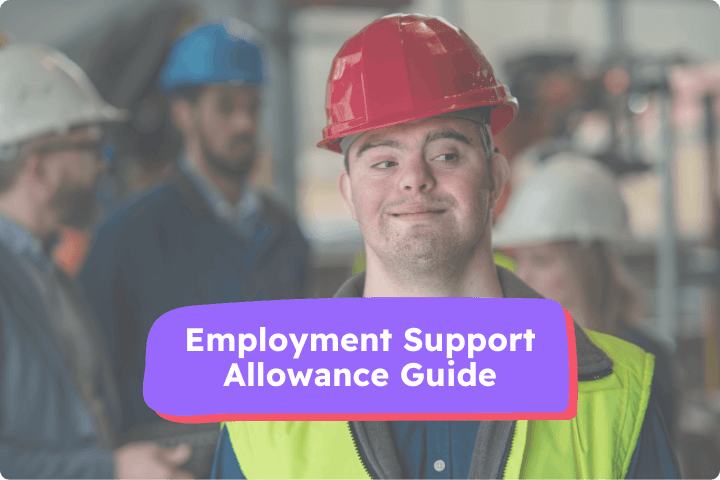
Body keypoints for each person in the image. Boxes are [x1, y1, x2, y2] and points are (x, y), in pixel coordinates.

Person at [212, 14, 681, 479]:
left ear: (495, 179)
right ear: (349, 195)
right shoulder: (262, 409)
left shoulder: (616, 393)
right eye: (383, 161)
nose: (415, 178)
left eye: (446, 154)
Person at [80, 17, 312, 478]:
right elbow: (94, 384)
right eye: (225, 106)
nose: (245, 123)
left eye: (253, 106)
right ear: (183, 114)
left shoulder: (286, 236)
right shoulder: (125, 236)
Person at [0, 43, 193, 479]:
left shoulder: (48, 274)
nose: (102, 165)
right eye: (89, 147)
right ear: (38, 167)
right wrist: (110, 470)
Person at [492, 152, 679, 445]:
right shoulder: (516, 353)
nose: (523, 276)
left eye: (541, 260)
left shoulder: (643, 360)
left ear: (586, 267)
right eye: (519, 260)